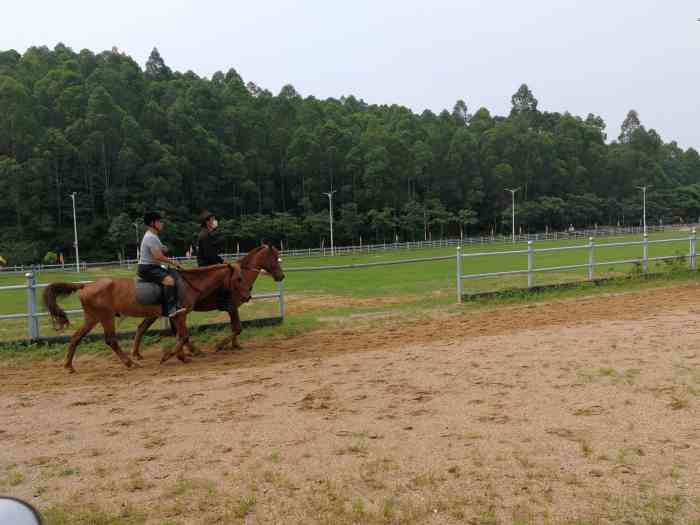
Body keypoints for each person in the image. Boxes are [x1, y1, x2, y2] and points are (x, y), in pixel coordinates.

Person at [137, 212, 186, 318]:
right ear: (152, 223)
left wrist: (163, 247)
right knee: (170, 281)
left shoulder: (154, 236)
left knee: (174, 273)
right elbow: (158, 256)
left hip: (153, 266)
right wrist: (174, 262)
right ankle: (169, 309)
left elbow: (159, 248)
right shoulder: (150, 237)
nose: (162, 223)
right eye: (159, 221)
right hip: (147, 269)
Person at [196, 210, 230, 310]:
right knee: (225, 276)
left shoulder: (206, 234)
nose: (215, 221)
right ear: (207, 222)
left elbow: (212, 253)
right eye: (213, 219)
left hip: (207, 263)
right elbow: (209, 255)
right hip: (206, 265)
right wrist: (221, 264)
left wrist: (223, 261)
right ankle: (221, 303)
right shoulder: (205, 235)